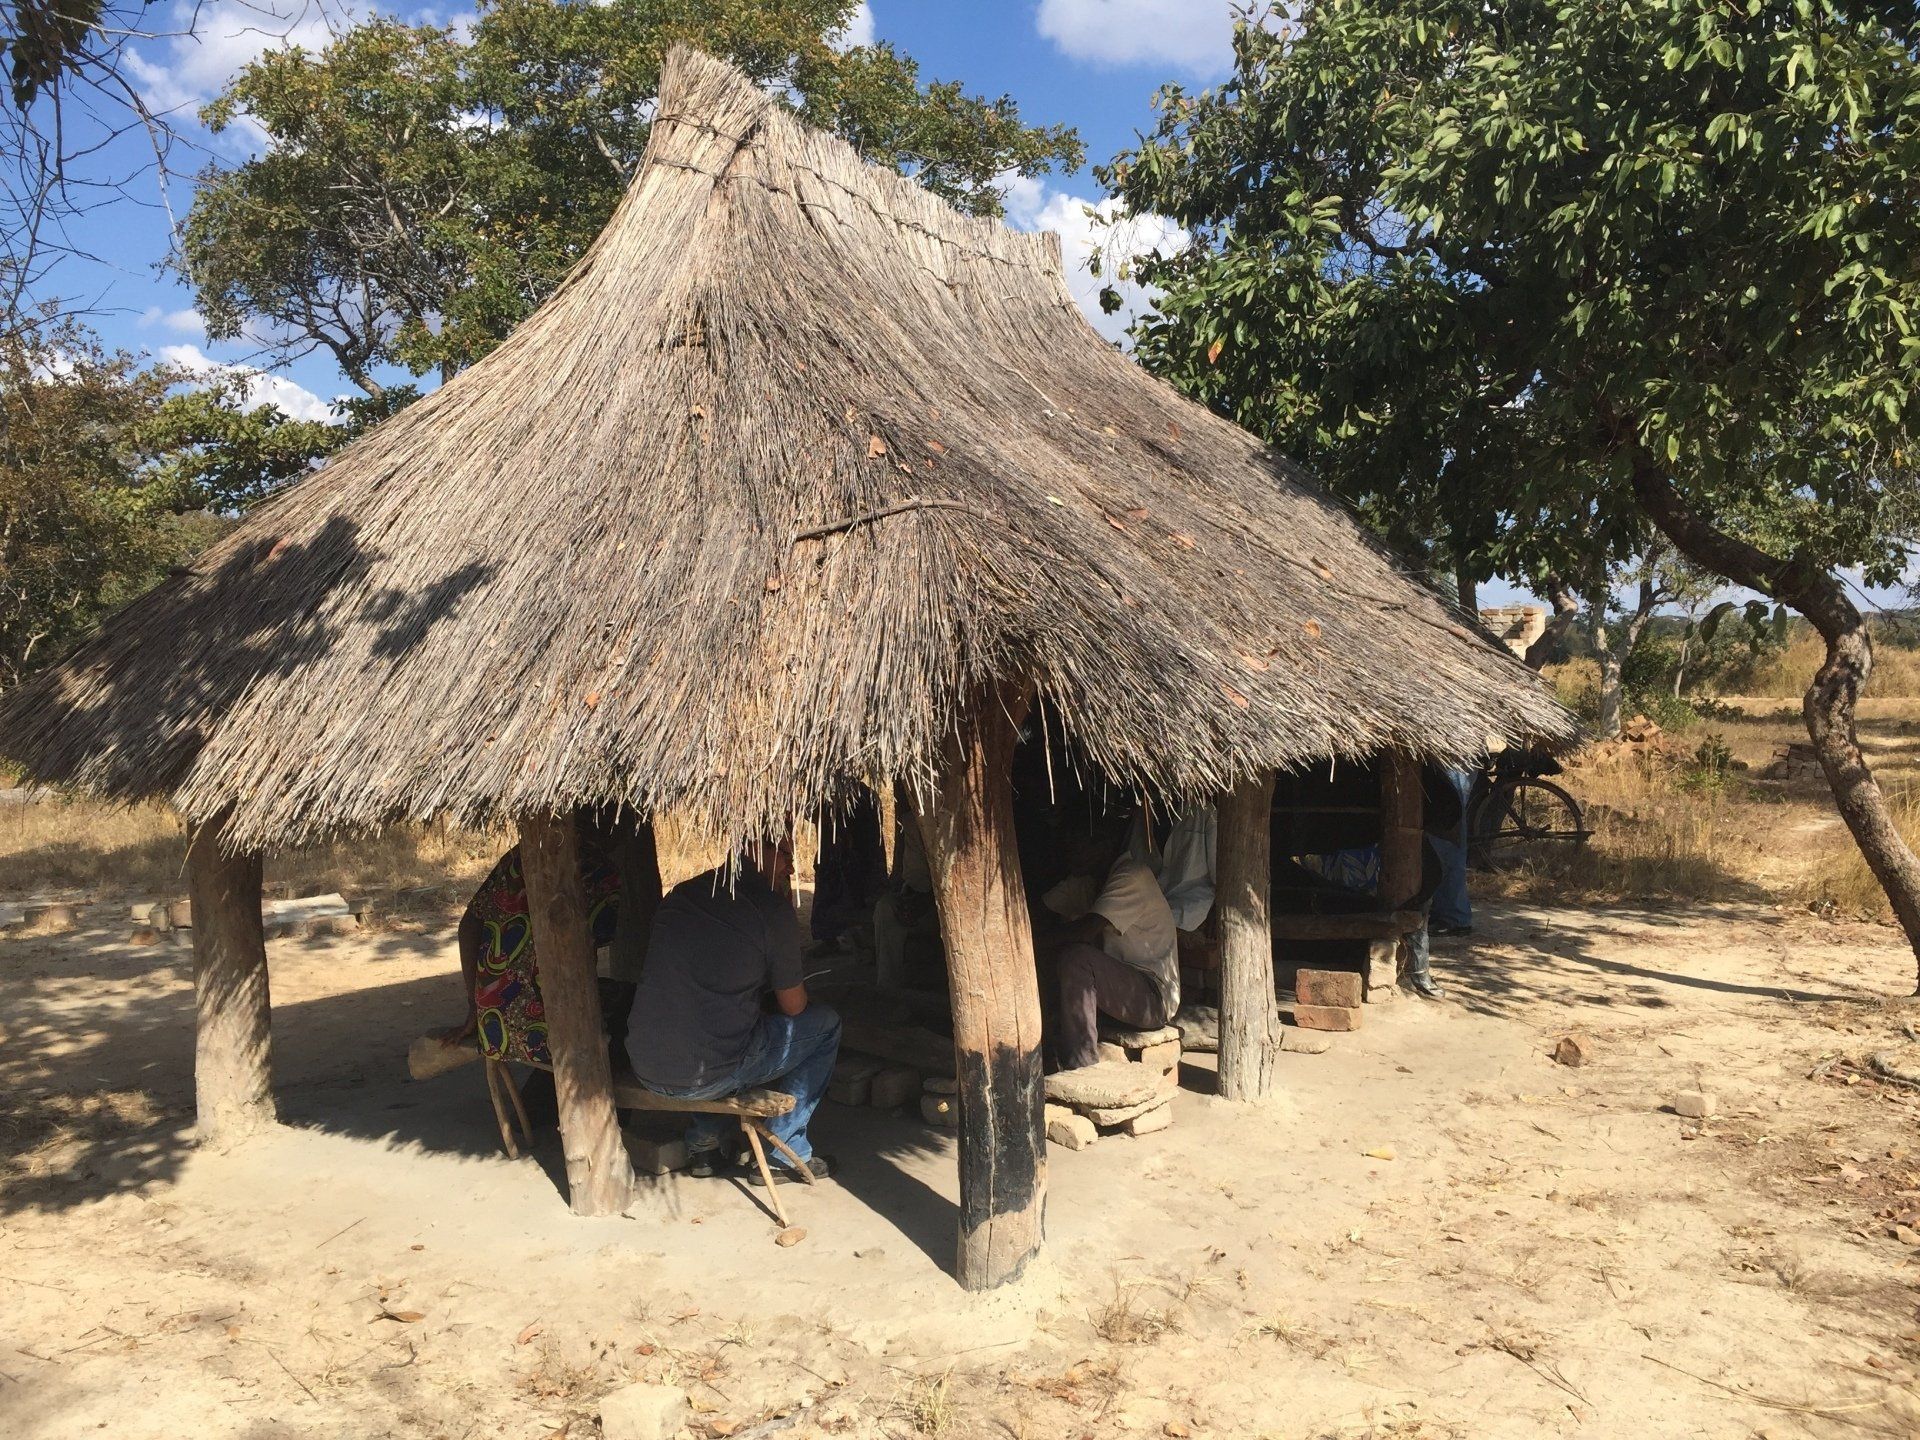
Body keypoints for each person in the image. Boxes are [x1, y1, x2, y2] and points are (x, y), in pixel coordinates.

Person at [627, 836, 841, 1182]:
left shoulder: (681, 895)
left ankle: (704, 1144)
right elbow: (794, 1006)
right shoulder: (770, 909)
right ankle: (784, 1154)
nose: (791, 866)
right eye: (785, 854)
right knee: (825, 1025)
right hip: (707, 1075)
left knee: (716, 1021)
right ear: (755, 849)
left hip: (647, 1065)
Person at [1041, 813, 1180, 1072]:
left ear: (1102, 847)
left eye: (1077, 844)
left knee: (1076, 958)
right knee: (1048, 955)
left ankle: (1080, 1067)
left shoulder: (1132, 876)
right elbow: (1039, 914)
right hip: (1114, 996)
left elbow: (1084, 932)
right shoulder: (1084, 882)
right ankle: (1043, 1052)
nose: (1068, 851)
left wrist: (1032, 942)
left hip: (1152, 1000)